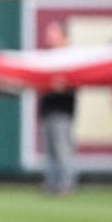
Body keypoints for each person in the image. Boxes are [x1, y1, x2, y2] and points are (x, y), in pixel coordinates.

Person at [38, 20, 77, 196]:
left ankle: (66, 183)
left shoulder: (71, 58)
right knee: (50, 151)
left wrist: (61, 85)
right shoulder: (47, 58)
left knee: (63, 149)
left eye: (53, 33)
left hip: (63, 111)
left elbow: (75, 82)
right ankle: (52, 183)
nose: (49, 36)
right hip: (48, 110)